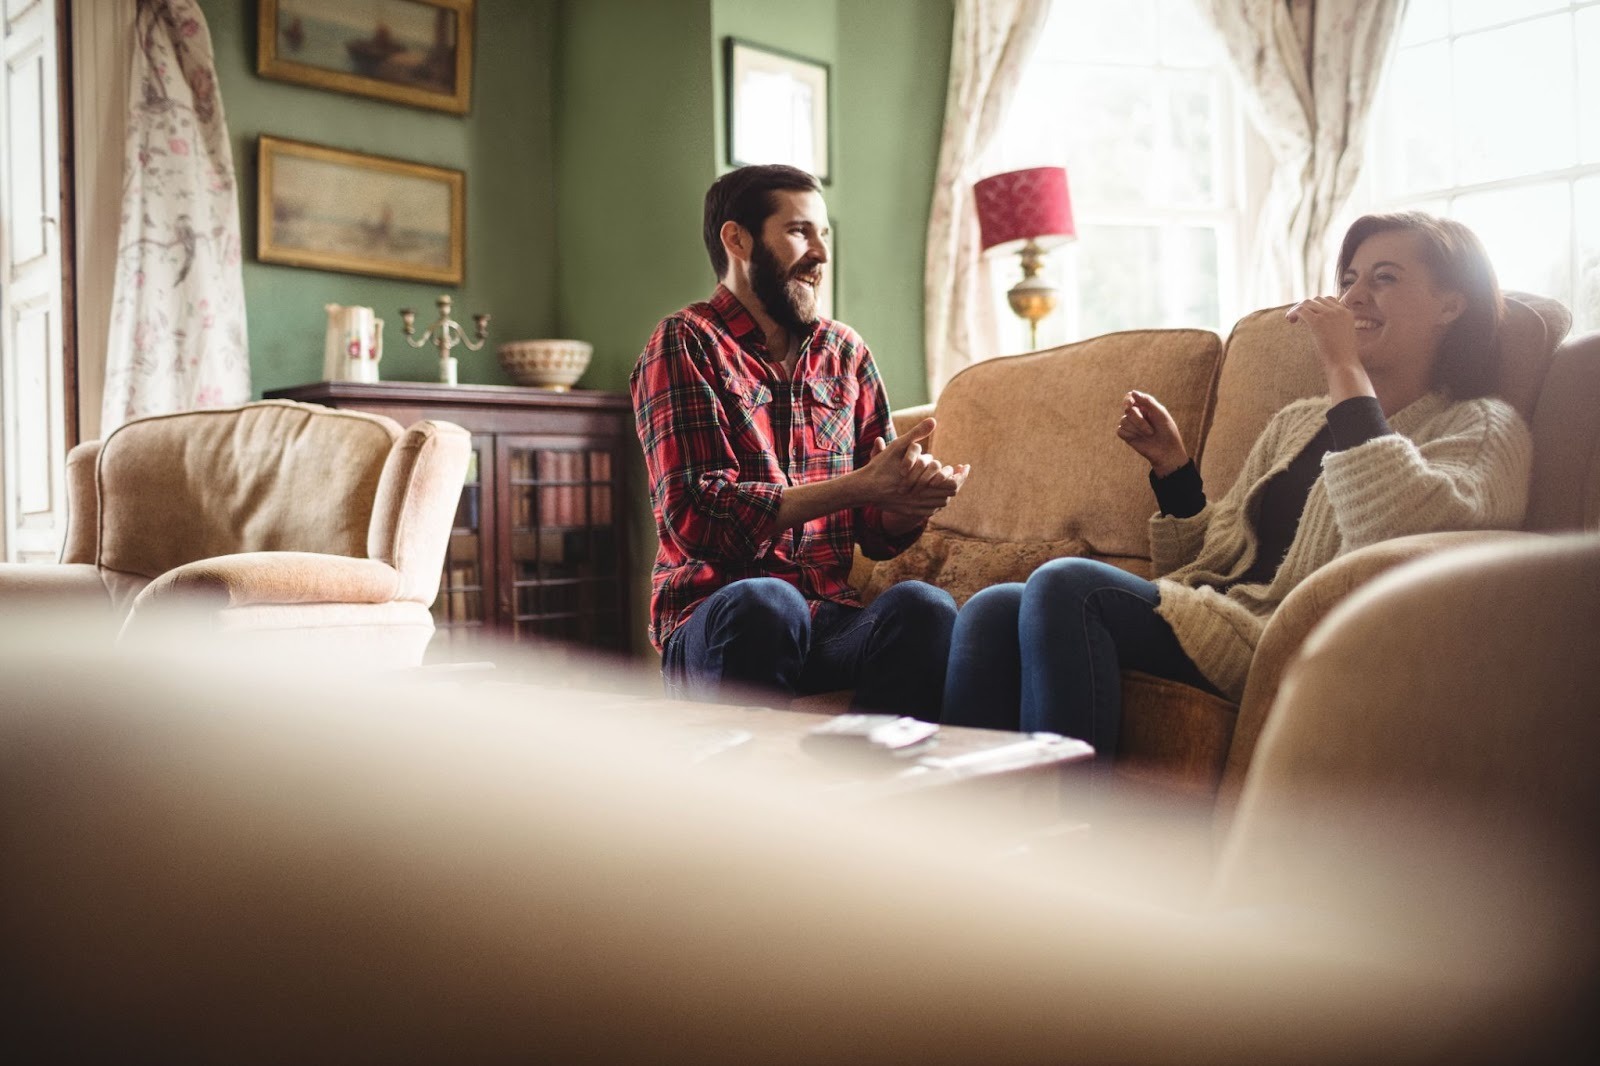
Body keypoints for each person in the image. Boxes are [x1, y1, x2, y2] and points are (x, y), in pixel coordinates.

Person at [940, 212, 1533, 763]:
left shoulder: (1482, 426)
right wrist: (1174, 471)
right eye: (1350, 278)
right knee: (995, 607)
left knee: (1069, 585)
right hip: (1221, 615)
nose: (1354, 295)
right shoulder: (1300, 421)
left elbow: (1396, 535)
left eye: (1384, 279)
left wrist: (1342, 368)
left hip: (1287, 639)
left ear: (1451, 304)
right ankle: (964, 833)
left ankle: (1066, 838)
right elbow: (1215, 555)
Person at [631, 164, 968, 716]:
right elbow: (696, 518)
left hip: (830, 620)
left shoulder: (847, 354)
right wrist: (858, 486)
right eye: (799, 232)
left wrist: (906, 504)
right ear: (738, 239)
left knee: (925, 609)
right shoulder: (685, 342)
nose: (821, 255)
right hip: (716, 618)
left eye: (824, 234)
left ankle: (864, 789)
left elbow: (874, 534)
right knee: (768, 603)